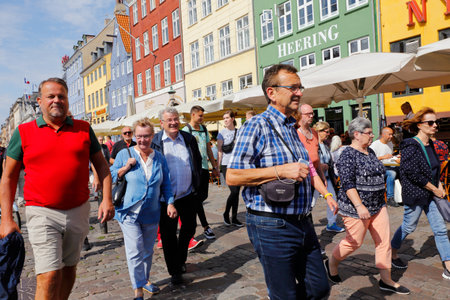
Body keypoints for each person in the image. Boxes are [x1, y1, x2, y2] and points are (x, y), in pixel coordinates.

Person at [226, 64, 337, 299]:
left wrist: (326, 194)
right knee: (284, 293)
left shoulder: (291, 127)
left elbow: (307, 168)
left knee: (319, 288)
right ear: (272, 92)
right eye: (293, 88)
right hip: (272, 224)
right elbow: (232, 175)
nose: (299, 92)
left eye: (300, 87)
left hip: (303, 221)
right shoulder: (256, 125)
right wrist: (279, 171)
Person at [0, 78, 114, 300]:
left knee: (69, 268)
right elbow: (8, 177)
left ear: (67, 100)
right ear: (40, 101)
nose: (56, 100)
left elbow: (102, 166)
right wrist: (6, 218)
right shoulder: (24, 132)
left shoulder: (84, 129)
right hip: (41, 211)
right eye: (51, 96)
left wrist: (106, 199)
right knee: (49, 274)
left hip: (78, 210)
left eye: (61, 96)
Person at [325, 117, 410, 295]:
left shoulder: (370, 151)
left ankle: (386, 280)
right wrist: (359, 205)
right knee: (354, 242)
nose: (372, 135)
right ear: (356, 134)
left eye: (371, 132)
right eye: (369, 132)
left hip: (378, 206)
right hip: (356, 209)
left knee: (384, 243)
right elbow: (347, 184)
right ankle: (332, 262)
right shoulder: (347, 154)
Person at [111, 118, 174, 299]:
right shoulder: (125, 153)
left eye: (146, 136)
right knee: (135, 250)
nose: (142, 140)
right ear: (134, 136)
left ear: (152, 136)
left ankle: (144, 279)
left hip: (151, 212)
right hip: (128, 212)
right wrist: (126, 166)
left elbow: (167, 183)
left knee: (147, 250)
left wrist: (170, 202)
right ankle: (138, 290)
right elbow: (112, 174)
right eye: (139, 136)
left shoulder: (159, 157)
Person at [390, 107, 450, 280]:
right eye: (430, 122)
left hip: (431, 194)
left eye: (436, 122)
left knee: (439, 230)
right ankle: (392, 252)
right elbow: (411, 172)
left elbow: (434, 170)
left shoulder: (430, 144)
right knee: (409, 226)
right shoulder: (410, 144)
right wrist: (434, 188)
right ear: (419, 125)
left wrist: (439, 185)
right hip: (417, 194)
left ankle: (448, 265)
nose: (435, 125)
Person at [151, 107, 202, 285]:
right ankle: (174, 270)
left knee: (189, 228)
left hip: (187, 194)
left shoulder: (188, 139)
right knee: (168, 235)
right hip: (165, 199)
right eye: (169, 120)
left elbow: (196, 162)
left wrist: (198, 188)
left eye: (175, 119)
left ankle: (180, 258)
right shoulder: (156, 141)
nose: (173, 122)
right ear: (162, 123)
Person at [182, 105, 219, 239]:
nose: (202, 118)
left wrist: (214, 167)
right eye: (200, 115)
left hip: (204, 167)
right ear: (193, 115)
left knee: (202, 196)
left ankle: (192, 220)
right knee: (197, 198)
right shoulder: (186, 130)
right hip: (193, 169)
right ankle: (205, 226)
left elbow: (209, 149)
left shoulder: (203, 129)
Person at [313, 121, 344, 233]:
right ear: (318, 132)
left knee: (333, 199)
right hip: (315, 178)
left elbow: (330, 163)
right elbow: (312, 161)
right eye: (326, 131)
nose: (328, 134)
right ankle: (305, 225)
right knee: (311, 202)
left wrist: (333, 176)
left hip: (327, 178)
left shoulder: (325, 145)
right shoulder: (314, 145)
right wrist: (320, 166)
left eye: (328, 131)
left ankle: (331, 223)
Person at [217, 111, 243, 227]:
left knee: (237, 193)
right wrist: (217, 167)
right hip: (226, 164)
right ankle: (226, 213)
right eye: (224, 118)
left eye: (227, 118)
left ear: (233, 118)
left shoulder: (240, 131)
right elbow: (219, 151)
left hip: (237, 165)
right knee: (234, 191)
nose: (225, 120)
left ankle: (235, 218)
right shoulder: (221, 133)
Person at [369, 127, 400, 207]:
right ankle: (390, 198)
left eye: (392, 134)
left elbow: (390, 157)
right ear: (383, 134)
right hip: (378, 168)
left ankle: (403, 195)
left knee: (403, 170)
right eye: (389, 134)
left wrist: (396, 157)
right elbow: (369, 159)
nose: (391, 136)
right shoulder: (375, 145)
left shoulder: (390, 144)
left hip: (389, 165)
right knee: (392, 173)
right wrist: (382, 157)